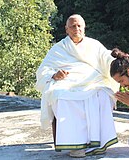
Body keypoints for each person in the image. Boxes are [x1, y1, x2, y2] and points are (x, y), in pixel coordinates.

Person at [35, 14, 119, 157]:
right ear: (66, 29)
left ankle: (100, 143)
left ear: (84, 28)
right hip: (68, 83)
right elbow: (43, 69)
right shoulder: (58, 48)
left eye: (79, 25)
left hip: (93, 81)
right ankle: (76, 145)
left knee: (104, 94)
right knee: (61, 96)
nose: (76, 28)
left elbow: (108, 58)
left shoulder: (94, 45)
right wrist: (54, 75)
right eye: (73, 26)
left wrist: (120, 60)